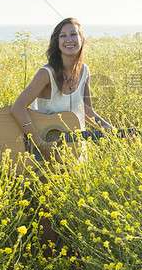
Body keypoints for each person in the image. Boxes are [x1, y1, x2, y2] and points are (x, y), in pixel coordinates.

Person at [10, 17, 114, 163]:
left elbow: (87, 112)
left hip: (74, 149)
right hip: (43, 151)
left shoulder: (85, 71)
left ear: (81, 39)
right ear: (57, 43)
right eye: (62, 36)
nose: (68, 40)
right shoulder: (46, 73)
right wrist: (41, 144)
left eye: (73, 34)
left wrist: (112, 130)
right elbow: (18, 107)